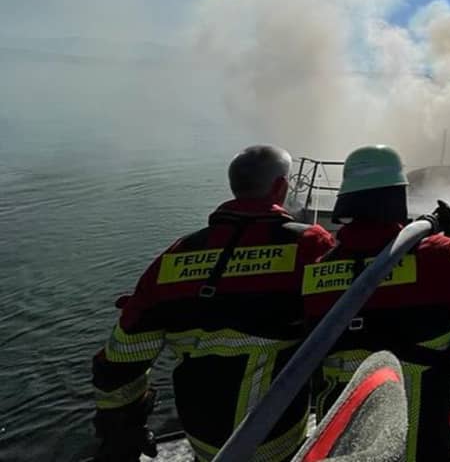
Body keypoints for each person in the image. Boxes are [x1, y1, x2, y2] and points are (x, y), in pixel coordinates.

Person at [90, 145, 335, 462]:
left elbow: (120, 358)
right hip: (275, 438)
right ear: (280, 187)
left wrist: (122, 432)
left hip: (204, 440)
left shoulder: (179, 253)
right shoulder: (307, 243)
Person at [303, 145, 450, 462]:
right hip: (422, 440)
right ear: (398, 198)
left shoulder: (316, 274)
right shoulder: (440, 256)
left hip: (343, 445)